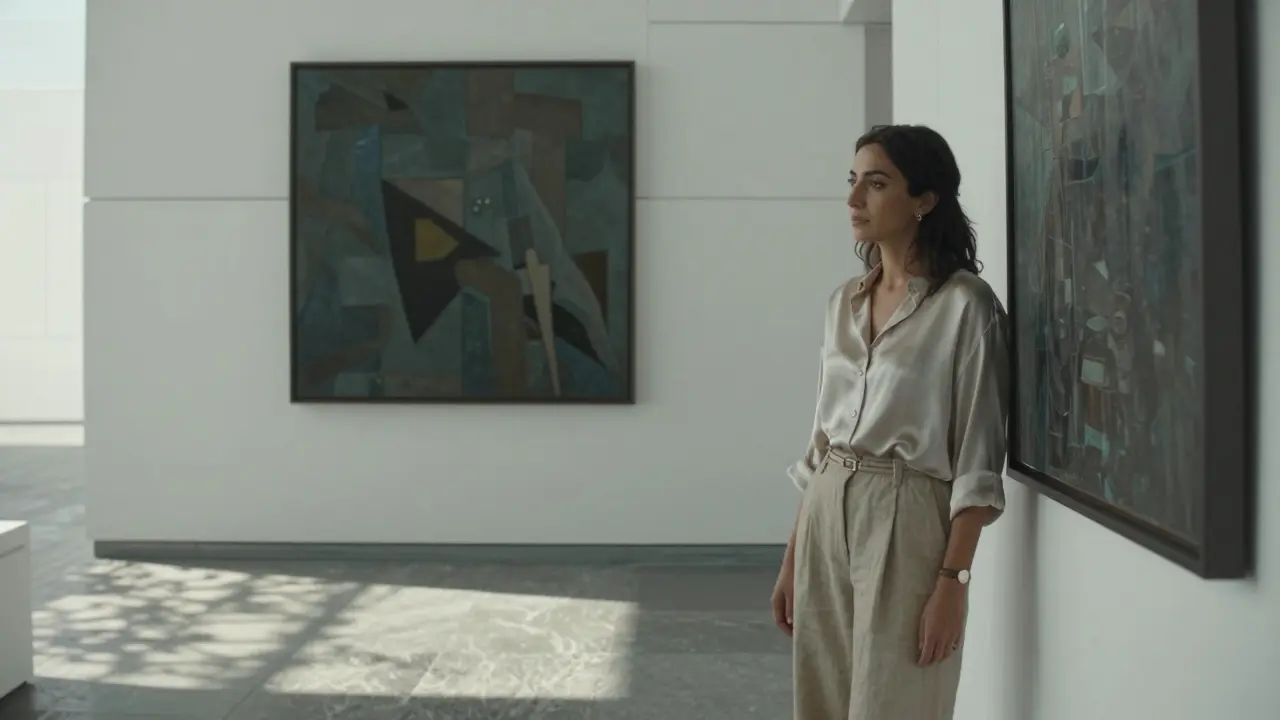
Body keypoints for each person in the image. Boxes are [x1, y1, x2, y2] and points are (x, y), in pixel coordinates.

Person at [770, 124, 1010, 720]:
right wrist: (792, 558)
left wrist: (953, 581)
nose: (854, 200)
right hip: (828, 506)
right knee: (822, 701)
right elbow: (822, 442)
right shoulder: (842, 302)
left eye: (875, 185)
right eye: (853, 182)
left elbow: (979, 462)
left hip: (907, 514)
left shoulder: (966, 308)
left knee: (896, 703)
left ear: (924, 199)